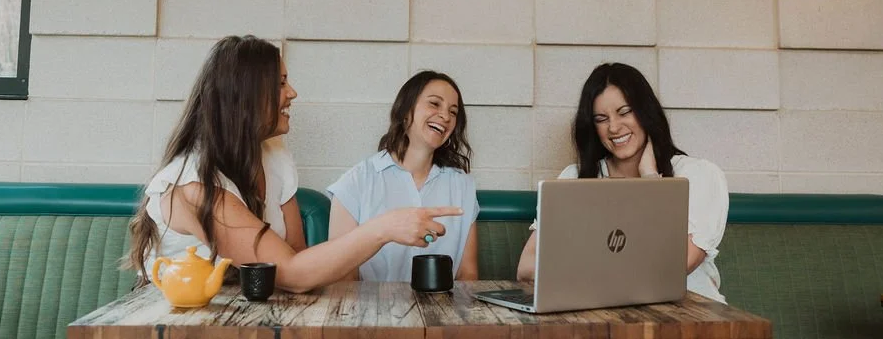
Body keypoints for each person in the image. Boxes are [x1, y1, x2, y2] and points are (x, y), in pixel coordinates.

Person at [127, 36, 462, 293]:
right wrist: (385, 228)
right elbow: (291, 273)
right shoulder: (194, 187)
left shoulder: (274, 157)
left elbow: (298, 258)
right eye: (281, 83)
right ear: (245, 95)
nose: (293, 93)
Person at [516, 62, 729, 303]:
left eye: (625, 111)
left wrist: (650, 178)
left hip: (688, 316)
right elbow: (527, 267)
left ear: (645, 111)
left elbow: (677, 265)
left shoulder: (698, 175)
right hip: (599, 315)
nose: (614, 127)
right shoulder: (575, 178)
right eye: (601, 118)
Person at [327, 70, 479, 281]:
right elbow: (341, 276)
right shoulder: (356, 182)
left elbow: (467, 274)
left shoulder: (463, 185)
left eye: (453, 112)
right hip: (372, 311)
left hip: (443, 310)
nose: (445, 116)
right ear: (406, 110)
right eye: (435, 104)